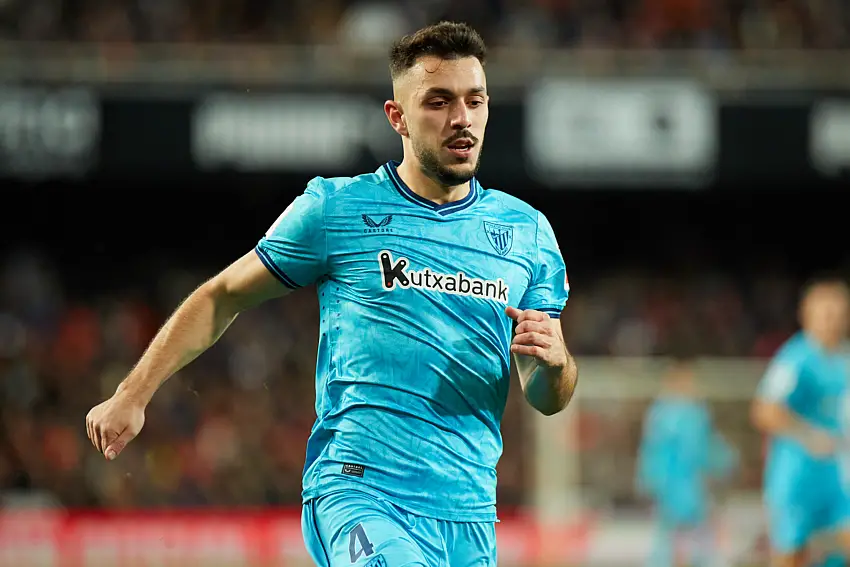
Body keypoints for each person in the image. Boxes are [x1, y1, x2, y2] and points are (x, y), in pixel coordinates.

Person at [85, 21, 578, 567]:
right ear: (398, 117)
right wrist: (132, 393)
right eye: (438, 102)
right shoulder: (336, 210)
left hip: (468, 516)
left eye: (475, 101)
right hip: (359, 493)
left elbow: (545, 396)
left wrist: (555, 365)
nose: (461, 119)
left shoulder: (528, 234)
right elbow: (222, 295)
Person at [752, 277, 850, 567]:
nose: (833, 321)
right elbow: (763, 410)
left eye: (840, 314)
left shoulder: (845, 359)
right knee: (791, 556)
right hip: (796, 475)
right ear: (807, 315)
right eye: (826, 313)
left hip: (838, 474)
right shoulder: (795, 359)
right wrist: (808, 435)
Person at [637, 354, 737, 567]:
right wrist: (726, 463)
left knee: (670, 541)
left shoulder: (659, 413)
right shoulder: (690, 413)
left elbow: (651, 453)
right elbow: (705, 449)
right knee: (696, 542)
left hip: (674, 487)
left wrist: (648, 480)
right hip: (686, 487)